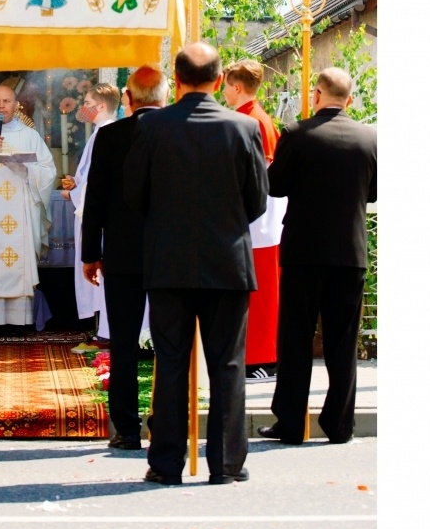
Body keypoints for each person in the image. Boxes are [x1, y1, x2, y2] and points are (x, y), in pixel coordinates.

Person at [123, 42, 268, 486]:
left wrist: (168, 225)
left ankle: (166, 463)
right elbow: (257, 200)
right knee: (227, 364)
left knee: (170, 363)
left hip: (169, 260)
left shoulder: (152, 127)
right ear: (220, 80)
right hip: (227, 261)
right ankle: (225, 464)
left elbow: (134, 195)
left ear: (178, 79)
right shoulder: (244, 128)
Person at [258, 67, 377, 446]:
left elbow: (275, 187)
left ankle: (292, 423)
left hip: (304, 251)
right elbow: (372, 193)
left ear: (316, 95)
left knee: (295, 337)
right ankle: (340, 425)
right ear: (349, 100)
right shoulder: (369, 137)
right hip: (350, 251)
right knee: (343, 341)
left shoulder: (297, 134)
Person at [82, 67, 168, 449]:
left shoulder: (110, 136)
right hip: (169, 253)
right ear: (164, 99)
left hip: (120, 253)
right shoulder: (176, 132)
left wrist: (89, 254)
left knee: (123, 342)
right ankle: (164, 422)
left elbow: (94, 200)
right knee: (169, 343)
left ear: (128, 99)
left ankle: (127, 430)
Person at [0, 84, 56, 328]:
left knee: (18, 258)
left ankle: (19, 322)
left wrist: (26, 168)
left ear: (16, 106)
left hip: (22, 210)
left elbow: (48, 171)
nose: (2, 106)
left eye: (7, 101)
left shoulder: (30, 136)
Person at [223, 59, 287, 381]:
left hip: (258, 218)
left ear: (237, 87)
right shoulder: (252, 117)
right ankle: (257, 354)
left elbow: (257, 172)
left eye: (226, 84)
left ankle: (263, 358)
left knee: (261, 290)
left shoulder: (254, 120)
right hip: (255, 215)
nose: (222, 90)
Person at [62, 82, 119, 349]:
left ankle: (105, 334)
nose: (83, 108)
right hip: (94, 210)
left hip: (96, 214)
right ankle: (101, 331)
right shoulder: (101, 132)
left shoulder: (105, 133)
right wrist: (76, 183)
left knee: (100, 274)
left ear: (102, 106)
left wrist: (73, 193)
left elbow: (97, 182)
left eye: (87, 103)